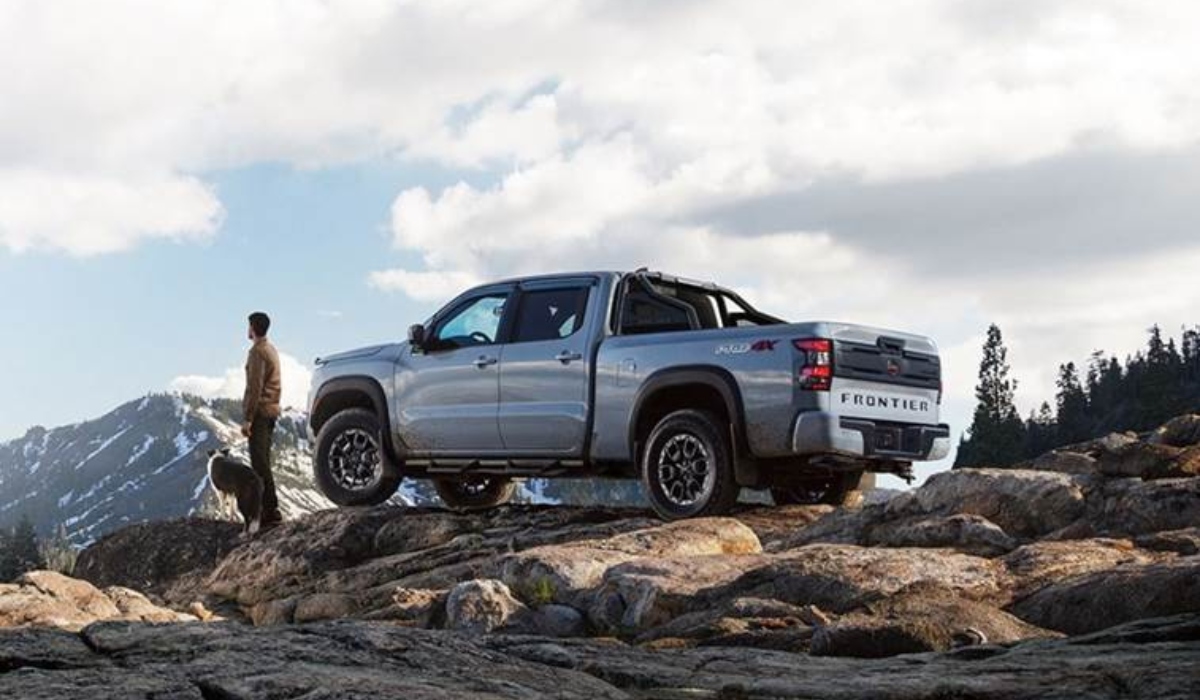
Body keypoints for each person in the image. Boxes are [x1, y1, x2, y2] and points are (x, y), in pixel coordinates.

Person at [243, 311, 284, 529]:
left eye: (248, 326)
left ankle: (270, 510)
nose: (246, 330)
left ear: (253, 327)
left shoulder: (257, 352)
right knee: (264, 461)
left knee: (259, 464)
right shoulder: (271, 349)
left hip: (260, 412)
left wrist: (248, 419)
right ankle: (269, 508)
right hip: (272, 410)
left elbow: (255, 387)